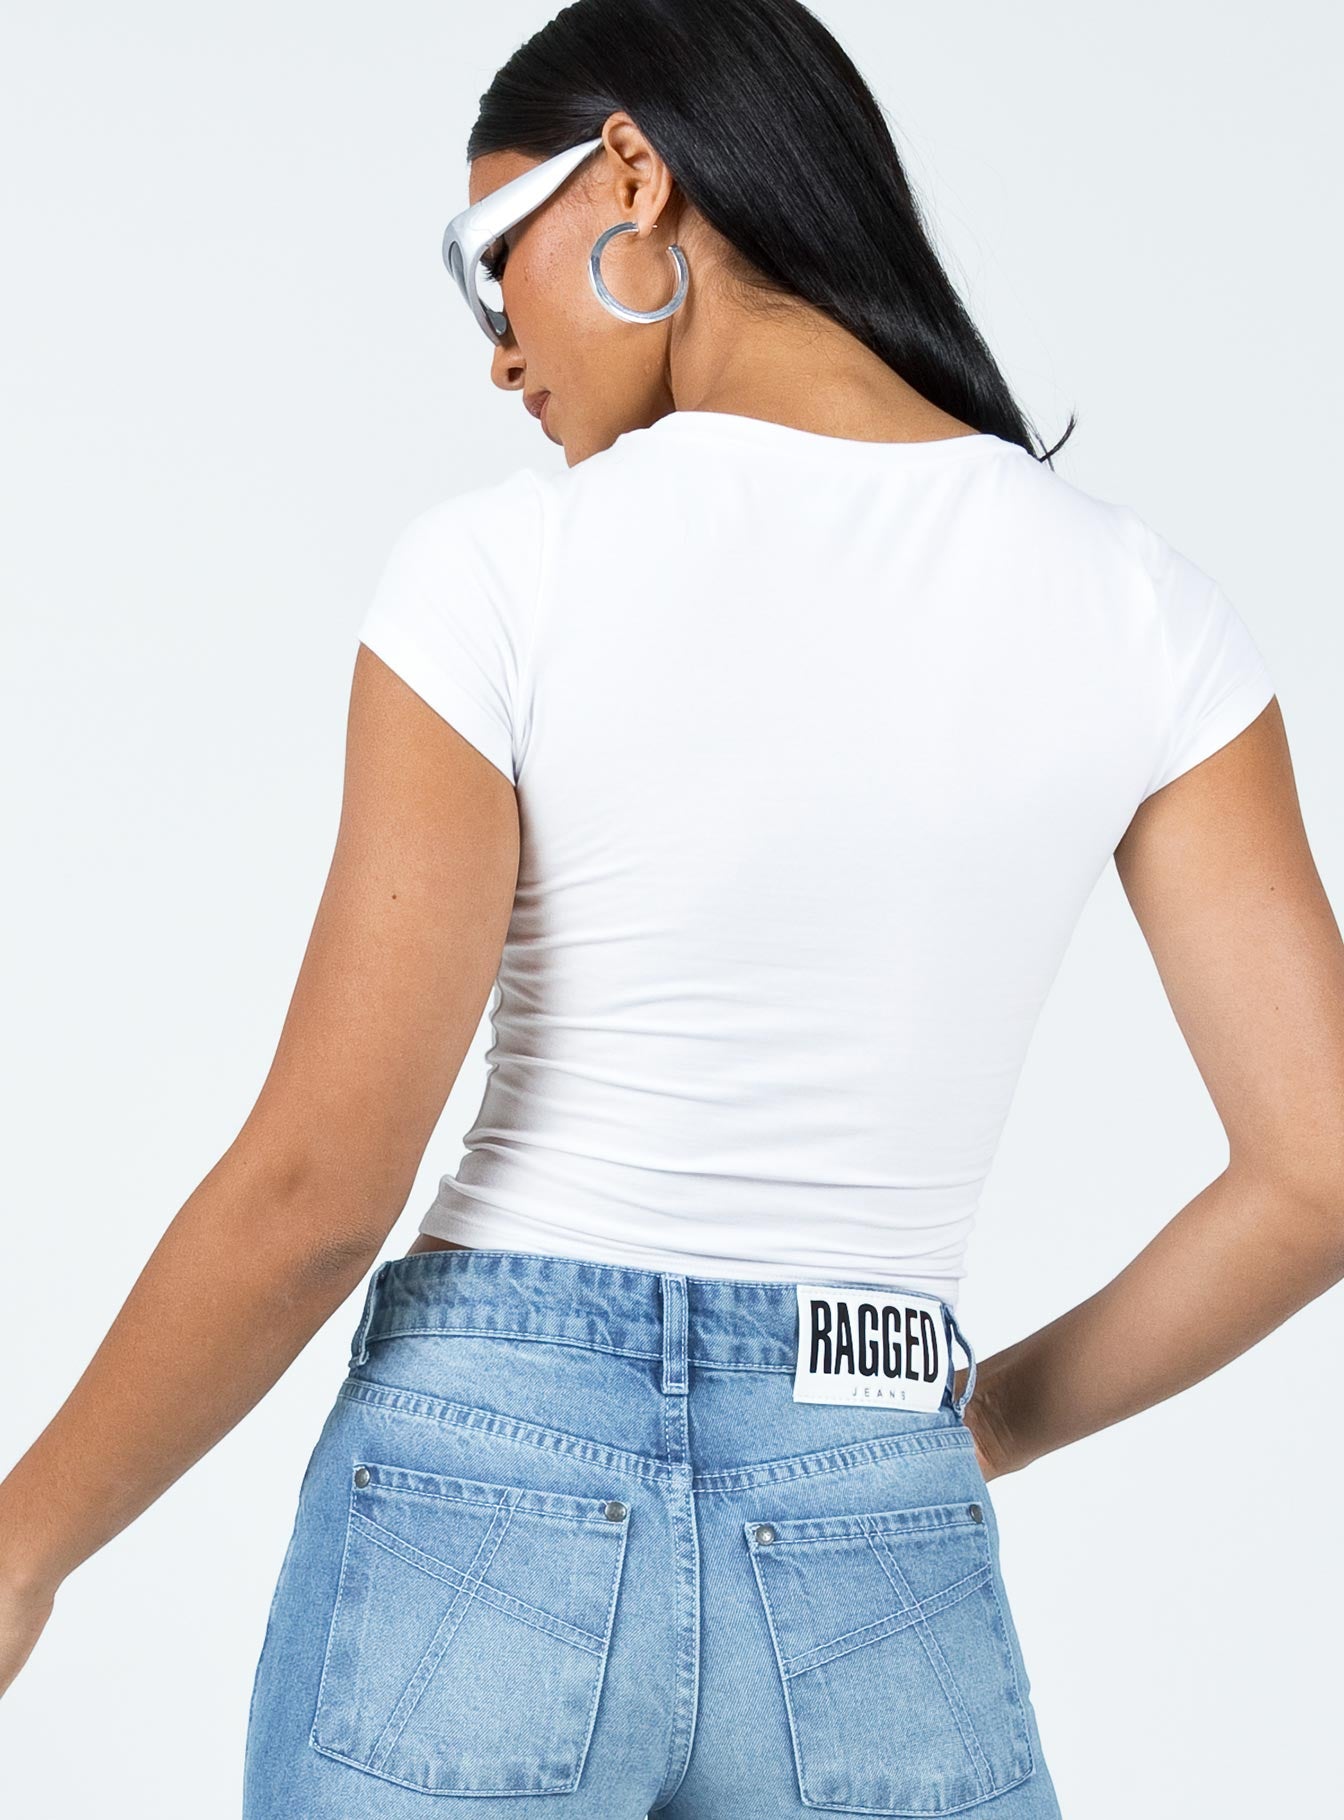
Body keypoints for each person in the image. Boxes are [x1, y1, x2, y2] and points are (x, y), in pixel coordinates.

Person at [4, 1, 1343, 1814]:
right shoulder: (1141, 611)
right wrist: (978, 1424)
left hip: (486, 1491)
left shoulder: (505, 571)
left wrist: (23, 1547)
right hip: (873, 1478)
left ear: (630, 175)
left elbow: (320, 1192)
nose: (500, 354)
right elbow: (1320, 1171)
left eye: (492, 263)